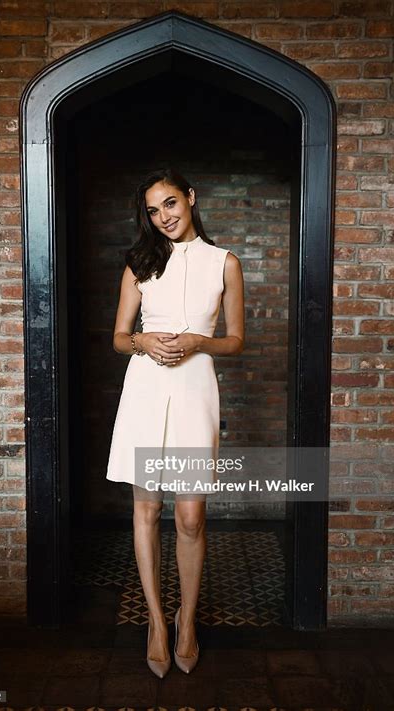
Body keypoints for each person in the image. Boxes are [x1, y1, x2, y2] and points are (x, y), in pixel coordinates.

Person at [105, 167, 245, 677]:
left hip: (193, 389)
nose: (163, 216)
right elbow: (120, 336)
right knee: (146, 512)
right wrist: (142, 340)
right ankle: (157, 622)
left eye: (170, 203)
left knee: (190, 517)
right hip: (145, 390)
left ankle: (187, 619)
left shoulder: (224, 263)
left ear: (190, 197)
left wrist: (196, 342)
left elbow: (234, 340)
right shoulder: (138, 263)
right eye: (153, 210)